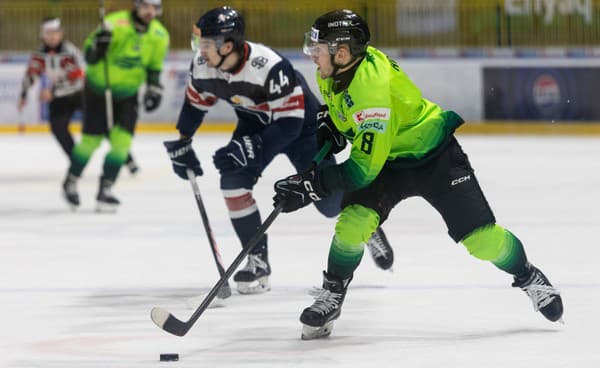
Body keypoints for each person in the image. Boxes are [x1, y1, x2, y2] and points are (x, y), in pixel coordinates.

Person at [273, 9, 564, 340]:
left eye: (318, 49)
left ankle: (527, 275)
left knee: (482, 239)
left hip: (433, 156)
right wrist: (334, 125)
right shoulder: (338, 70)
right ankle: (333, 294)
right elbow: (346, 115)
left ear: (341, 52)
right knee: (353, 222)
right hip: (387, 158)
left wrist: (313, 185)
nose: (313, 56)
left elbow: (362, 170)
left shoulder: (371, 89)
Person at [163, 6, 394, 295]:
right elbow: (195, 104)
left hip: (303, 129)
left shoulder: (269, 67)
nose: (200, 51)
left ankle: (368, 226)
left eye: (206, 44)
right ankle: (257, 259)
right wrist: (183, 140)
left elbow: (290, 125)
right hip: (255, 122)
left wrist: (253, 147)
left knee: (328, 204)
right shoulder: (203, 66)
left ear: (229, 46)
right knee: (233, 180)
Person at [62, 0, 168, 211]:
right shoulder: (114, 23)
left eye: (154, 7)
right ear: (137, 6)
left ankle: (106, 189)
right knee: (90, 142)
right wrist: (98, 48)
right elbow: (89, 56)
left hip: (128, 95)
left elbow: (154, 67)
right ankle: (71, 181)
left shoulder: (159, 35)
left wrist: (154, 88)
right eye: (146, 6)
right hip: (99, 90)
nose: (150, 11)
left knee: (122, 144)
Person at [19, 17, 140, 176]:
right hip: (60, 98)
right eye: (48, 33)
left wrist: (52, 91)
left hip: (83, 94)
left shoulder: (69, 52)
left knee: (103, 125)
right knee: (58, 127)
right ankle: (76, 162)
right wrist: (24, 95)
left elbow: (77, 79)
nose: (52, 36)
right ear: (42, 35)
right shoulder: (38, 55)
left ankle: (126, 158)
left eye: (55, 32)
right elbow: (31, 74)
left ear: (61, 33)